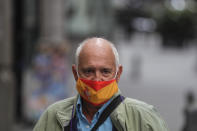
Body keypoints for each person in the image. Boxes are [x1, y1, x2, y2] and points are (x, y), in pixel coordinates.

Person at [33, 37, 168, 131]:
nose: (97, 79)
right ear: (75, 73)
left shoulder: (144, 118)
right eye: (89, 71)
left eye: (105, 71)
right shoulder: (53, 116)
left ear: (118, 74)